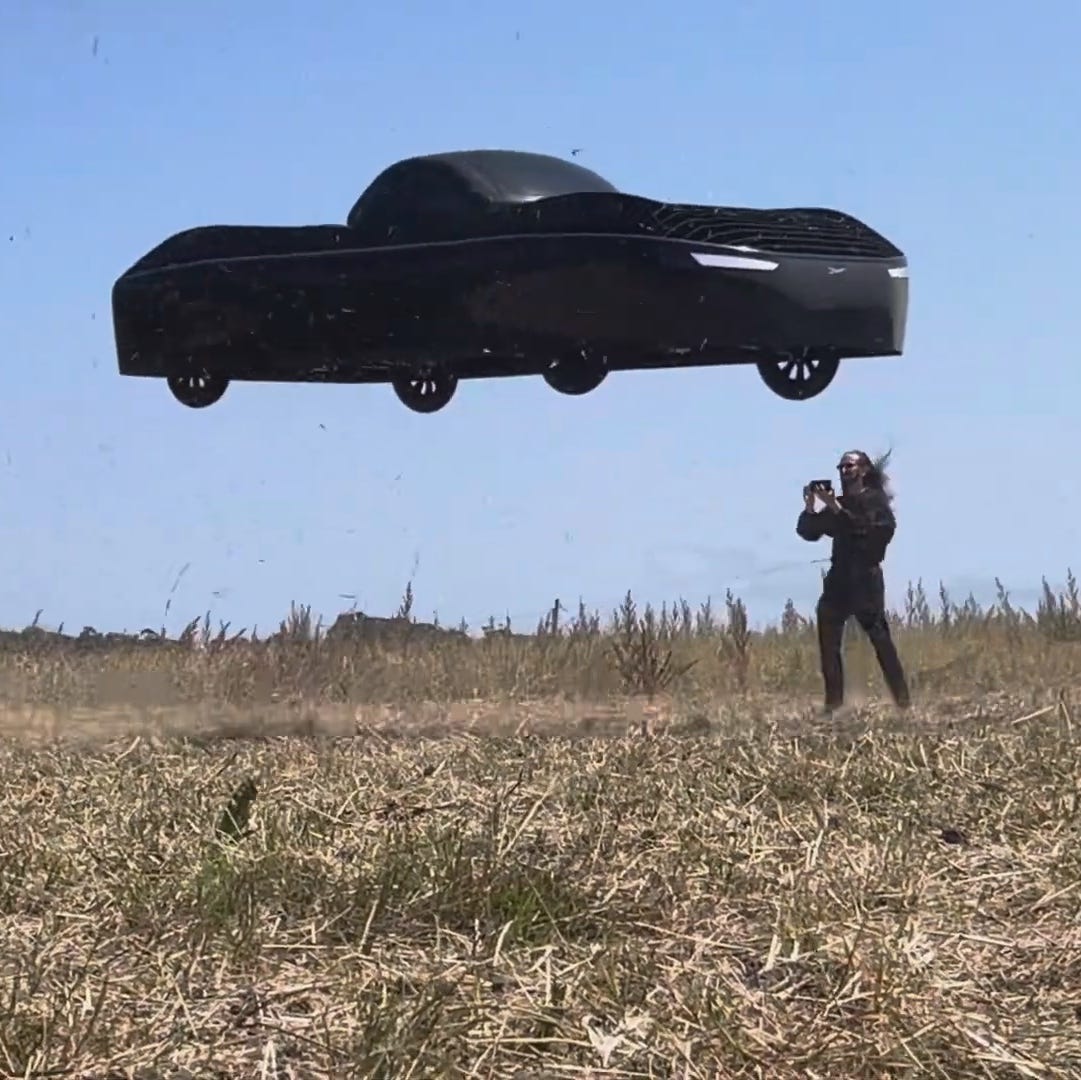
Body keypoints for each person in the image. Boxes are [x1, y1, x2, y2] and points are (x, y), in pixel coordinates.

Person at [796, 449, 911, 712]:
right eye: (842, 467)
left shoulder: (875, 502)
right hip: (839, 578)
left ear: (864, 470)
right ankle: (834, 704)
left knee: (880, 639)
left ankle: (903, 701)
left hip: (865, 578)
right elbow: (809, 532)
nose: (844, 471)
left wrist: (836, 508)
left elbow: (863, 530)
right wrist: (810, 506)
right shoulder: (840, 503)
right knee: (828, 639)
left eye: (850, 466)